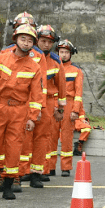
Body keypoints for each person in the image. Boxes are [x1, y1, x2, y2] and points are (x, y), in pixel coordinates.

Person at [0, 24, 44, 200]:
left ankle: (8, 186)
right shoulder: (2, 59)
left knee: (14, 148)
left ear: (33, 44)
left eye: (30, 40)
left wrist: (32, 118)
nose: (26, 43)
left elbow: (37, 96)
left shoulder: (34, 67)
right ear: (15, 39)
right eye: (23, 38)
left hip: (19, 111)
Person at [27, 25, 65, 188]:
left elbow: (61, 86)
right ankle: (23, 171)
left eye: (50, 42)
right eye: (43, 41)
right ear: (37, 40)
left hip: (48, 103)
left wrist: (60, 108)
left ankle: (37, 172)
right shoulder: (29, 55)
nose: (46, 45)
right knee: (25, 137)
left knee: (42, 137)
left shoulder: (56, 61)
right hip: (28, 100)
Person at [56, 39, 85, 177]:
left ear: (71, 54)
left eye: (66, 52)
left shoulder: (76, 70)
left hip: (68, 103)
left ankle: (66, 167)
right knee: (50, 136)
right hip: (54, 103)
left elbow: (78, 93)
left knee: (67, 137)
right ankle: (48, 168)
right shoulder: (53, 67)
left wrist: (75, 110)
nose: (63, 55)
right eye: (61, 52)